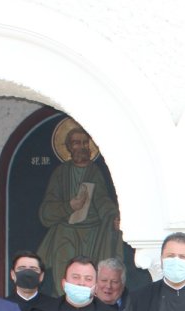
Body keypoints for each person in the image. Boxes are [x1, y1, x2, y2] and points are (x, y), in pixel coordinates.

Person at [37, 124, 123, 294]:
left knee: (91, 275)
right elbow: (46, 211)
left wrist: (113, 216)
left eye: (85, 143)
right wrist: (70, 206)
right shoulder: (61, 173)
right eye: (76, 143)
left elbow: (103, 200)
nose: (81, 147)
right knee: (65, 274)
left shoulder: (95, 171)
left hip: (93, 233)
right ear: (69, 147)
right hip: (66, 232)